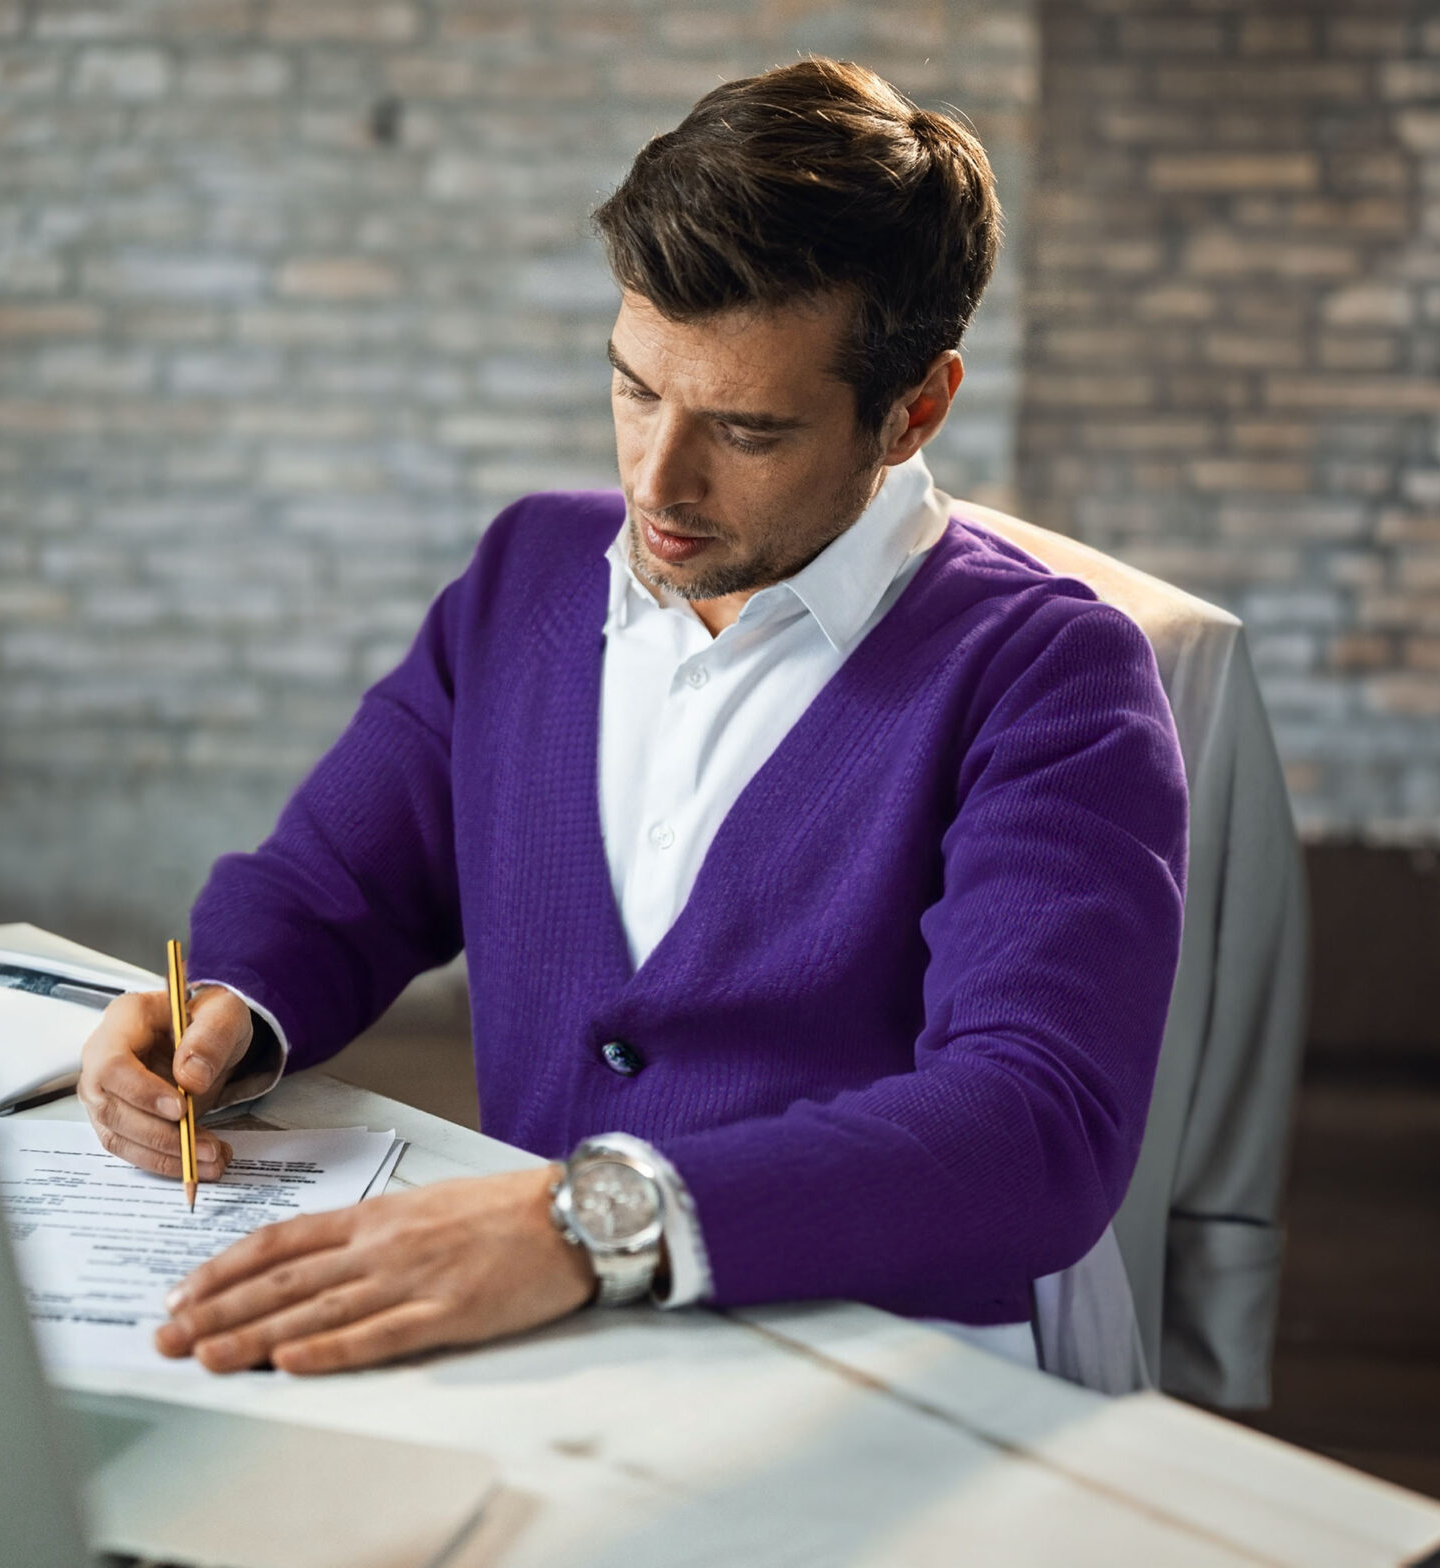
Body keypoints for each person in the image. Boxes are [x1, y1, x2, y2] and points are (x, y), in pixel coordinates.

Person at [79, 58, 1187, 1378]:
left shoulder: (1050, 678)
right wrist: (222, 1010)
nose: (657, 482)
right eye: (634, 388)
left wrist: (584, 1221)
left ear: (915, 410)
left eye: (748, 430)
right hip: (550, 1340)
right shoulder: (527, 579)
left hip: (881, 1367)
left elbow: (1032, 1128)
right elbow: (333, 882)